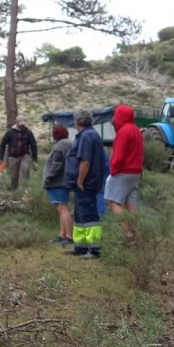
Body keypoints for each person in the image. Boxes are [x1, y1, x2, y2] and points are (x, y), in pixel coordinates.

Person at [64, 110, 106, 258]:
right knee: (80, 214)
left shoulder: (87, 136)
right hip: (83, 183)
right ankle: (80, 246)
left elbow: (85, 161)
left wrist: (80, 181)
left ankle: (94, 249)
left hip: (86, 183)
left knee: (88, 215)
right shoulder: (88, 135)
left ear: (77, 122)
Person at [106, 104, 143, 244]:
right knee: (130, 203)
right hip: (135, 172)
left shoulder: (123, 131)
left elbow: (119, 156)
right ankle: (133, 232)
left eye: (115, 115)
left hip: (123, 172)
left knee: (113, 201)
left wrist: (113, 170)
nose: (113, 119)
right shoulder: (136, 130)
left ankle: (127, 234)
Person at [42, 124, 73, 247]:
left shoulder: (60, 146)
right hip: (64, 181)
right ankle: (62, 235)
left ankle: (69, 236)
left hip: (57, 182)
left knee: (62, 209)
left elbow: (57, 165)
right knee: (61, 209)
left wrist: (48, 177)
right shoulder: (69, 143)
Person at [0, 115, 38, 190]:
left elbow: (33, 145)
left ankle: (25, 191)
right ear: (17, 123)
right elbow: (2, 144)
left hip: (25, 155)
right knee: (14, 177)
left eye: (23, 124)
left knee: (25, 171)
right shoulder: (10, 132)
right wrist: (0, 157)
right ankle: (14, 190)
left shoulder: (28, 132)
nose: (22, 126)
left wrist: (35, 160)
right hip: (13, 156)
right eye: (21, 124)